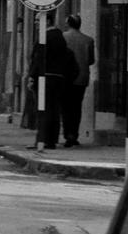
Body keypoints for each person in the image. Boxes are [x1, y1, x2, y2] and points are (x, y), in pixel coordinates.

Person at [28, 23, 78, 151]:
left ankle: (42, 140)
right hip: (59, 79)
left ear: (47, 20)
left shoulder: (44, 38)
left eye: (38, 20)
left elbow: (38, 59)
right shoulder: (61, 40)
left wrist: (32, 76)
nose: (36, 23)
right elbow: (70, 63)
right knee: (54, 110)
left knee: (42, 110)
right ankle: (51, 140)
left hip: (44, 77)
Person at [60, 13, 96, 148]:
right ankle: (74, 134)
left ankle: (67, 133)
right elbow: (91, 60)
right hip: (81, 78)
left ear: (68, 24)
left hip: (65, 77)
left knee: (65, 107)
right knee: (76, 107)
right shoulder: (88, 40)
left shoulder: (63, 37)